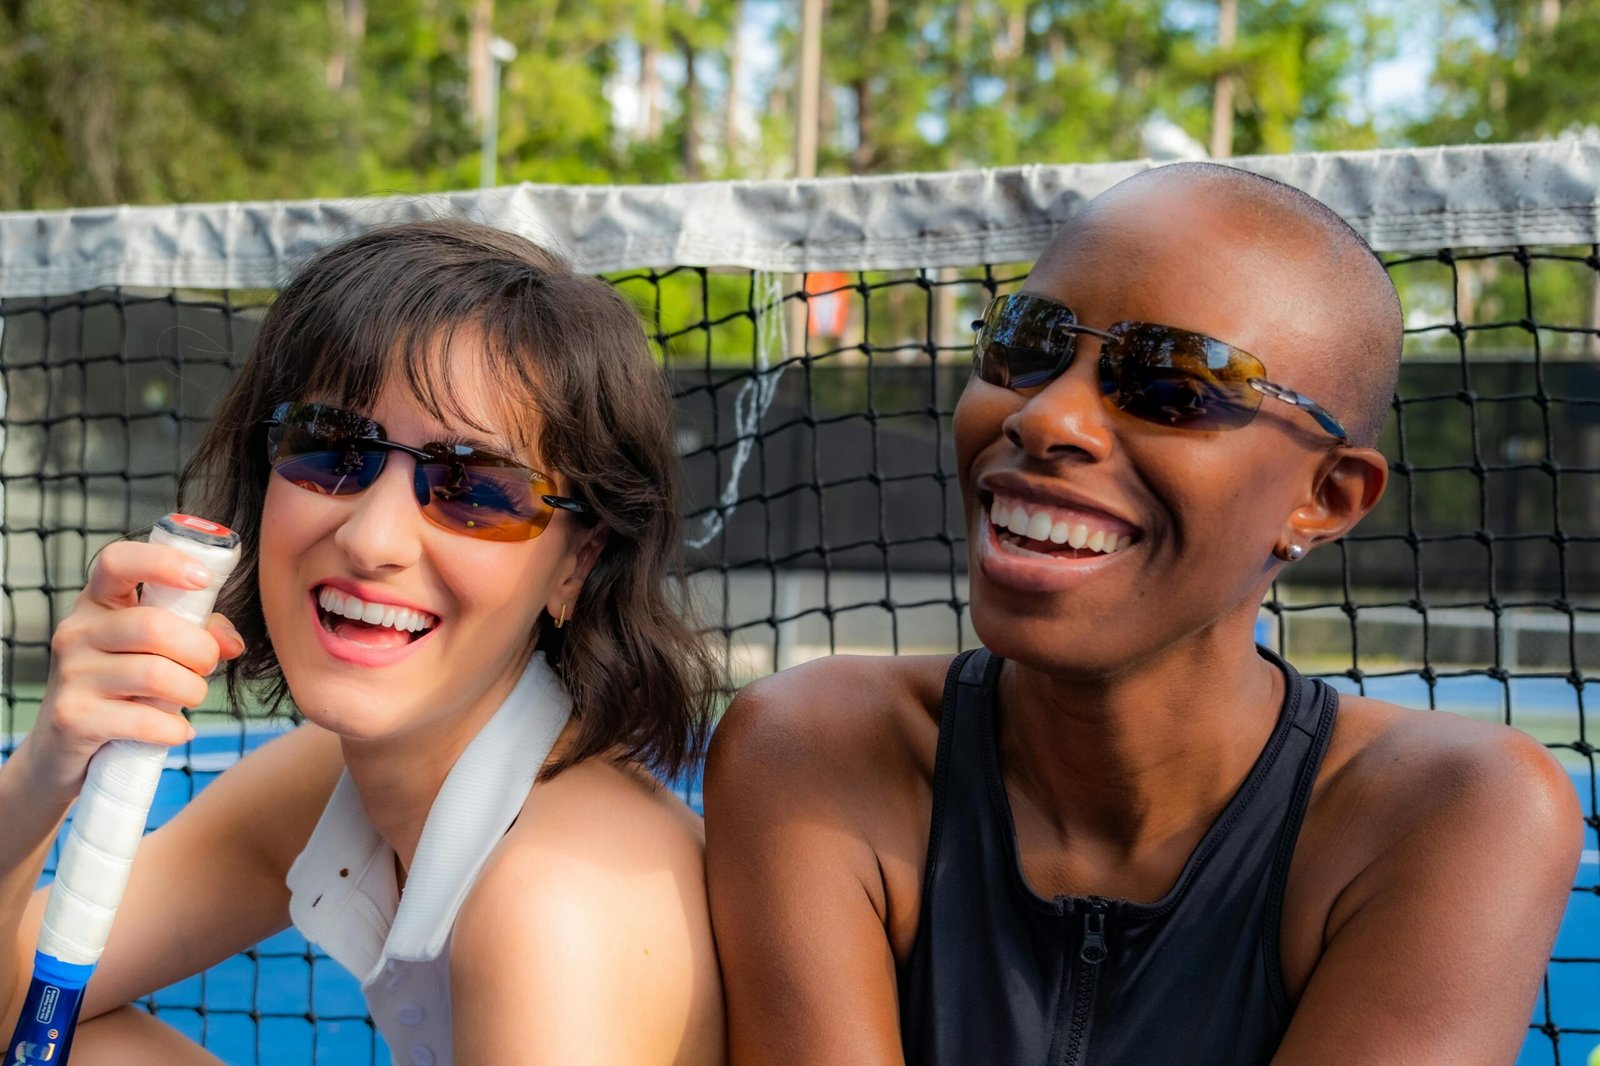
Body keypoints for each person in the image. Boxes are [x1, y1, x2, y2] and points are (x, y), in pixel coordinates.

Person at [705, 163, 1583, 1065]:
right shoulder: (812, 749)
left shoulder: (1453, 813)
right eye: (1027, 347)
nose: (1050, 418)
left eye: (1175, 384)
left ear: (1324, 497)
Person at [0, 220, 727, 1065]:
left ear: (579, 562)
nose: (372, 537)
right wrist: (47, 768)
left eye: (473, 487)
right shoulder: (337, 777)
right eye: (334, 448)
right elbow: (24, 1013)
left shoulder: (555, 907)